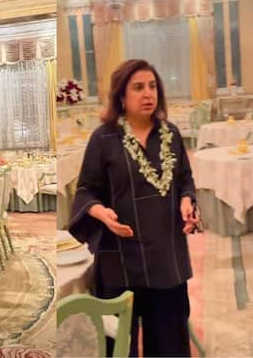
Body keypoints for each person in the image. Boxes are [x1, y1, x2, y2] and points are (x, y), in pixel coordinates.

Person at [69, 59, 198, 357]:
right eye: (138, 87)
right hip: (120, 259)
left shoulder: (171, 134)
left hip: (167, 257)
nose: (148, 93)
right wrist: (100, 212)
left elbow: (185, 180)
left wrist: (187, 199)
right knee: (120, 343)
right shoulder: (103, 138)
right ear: (121, 97)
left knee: (169, 343)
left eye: (152, 86)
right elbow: (86, 190)